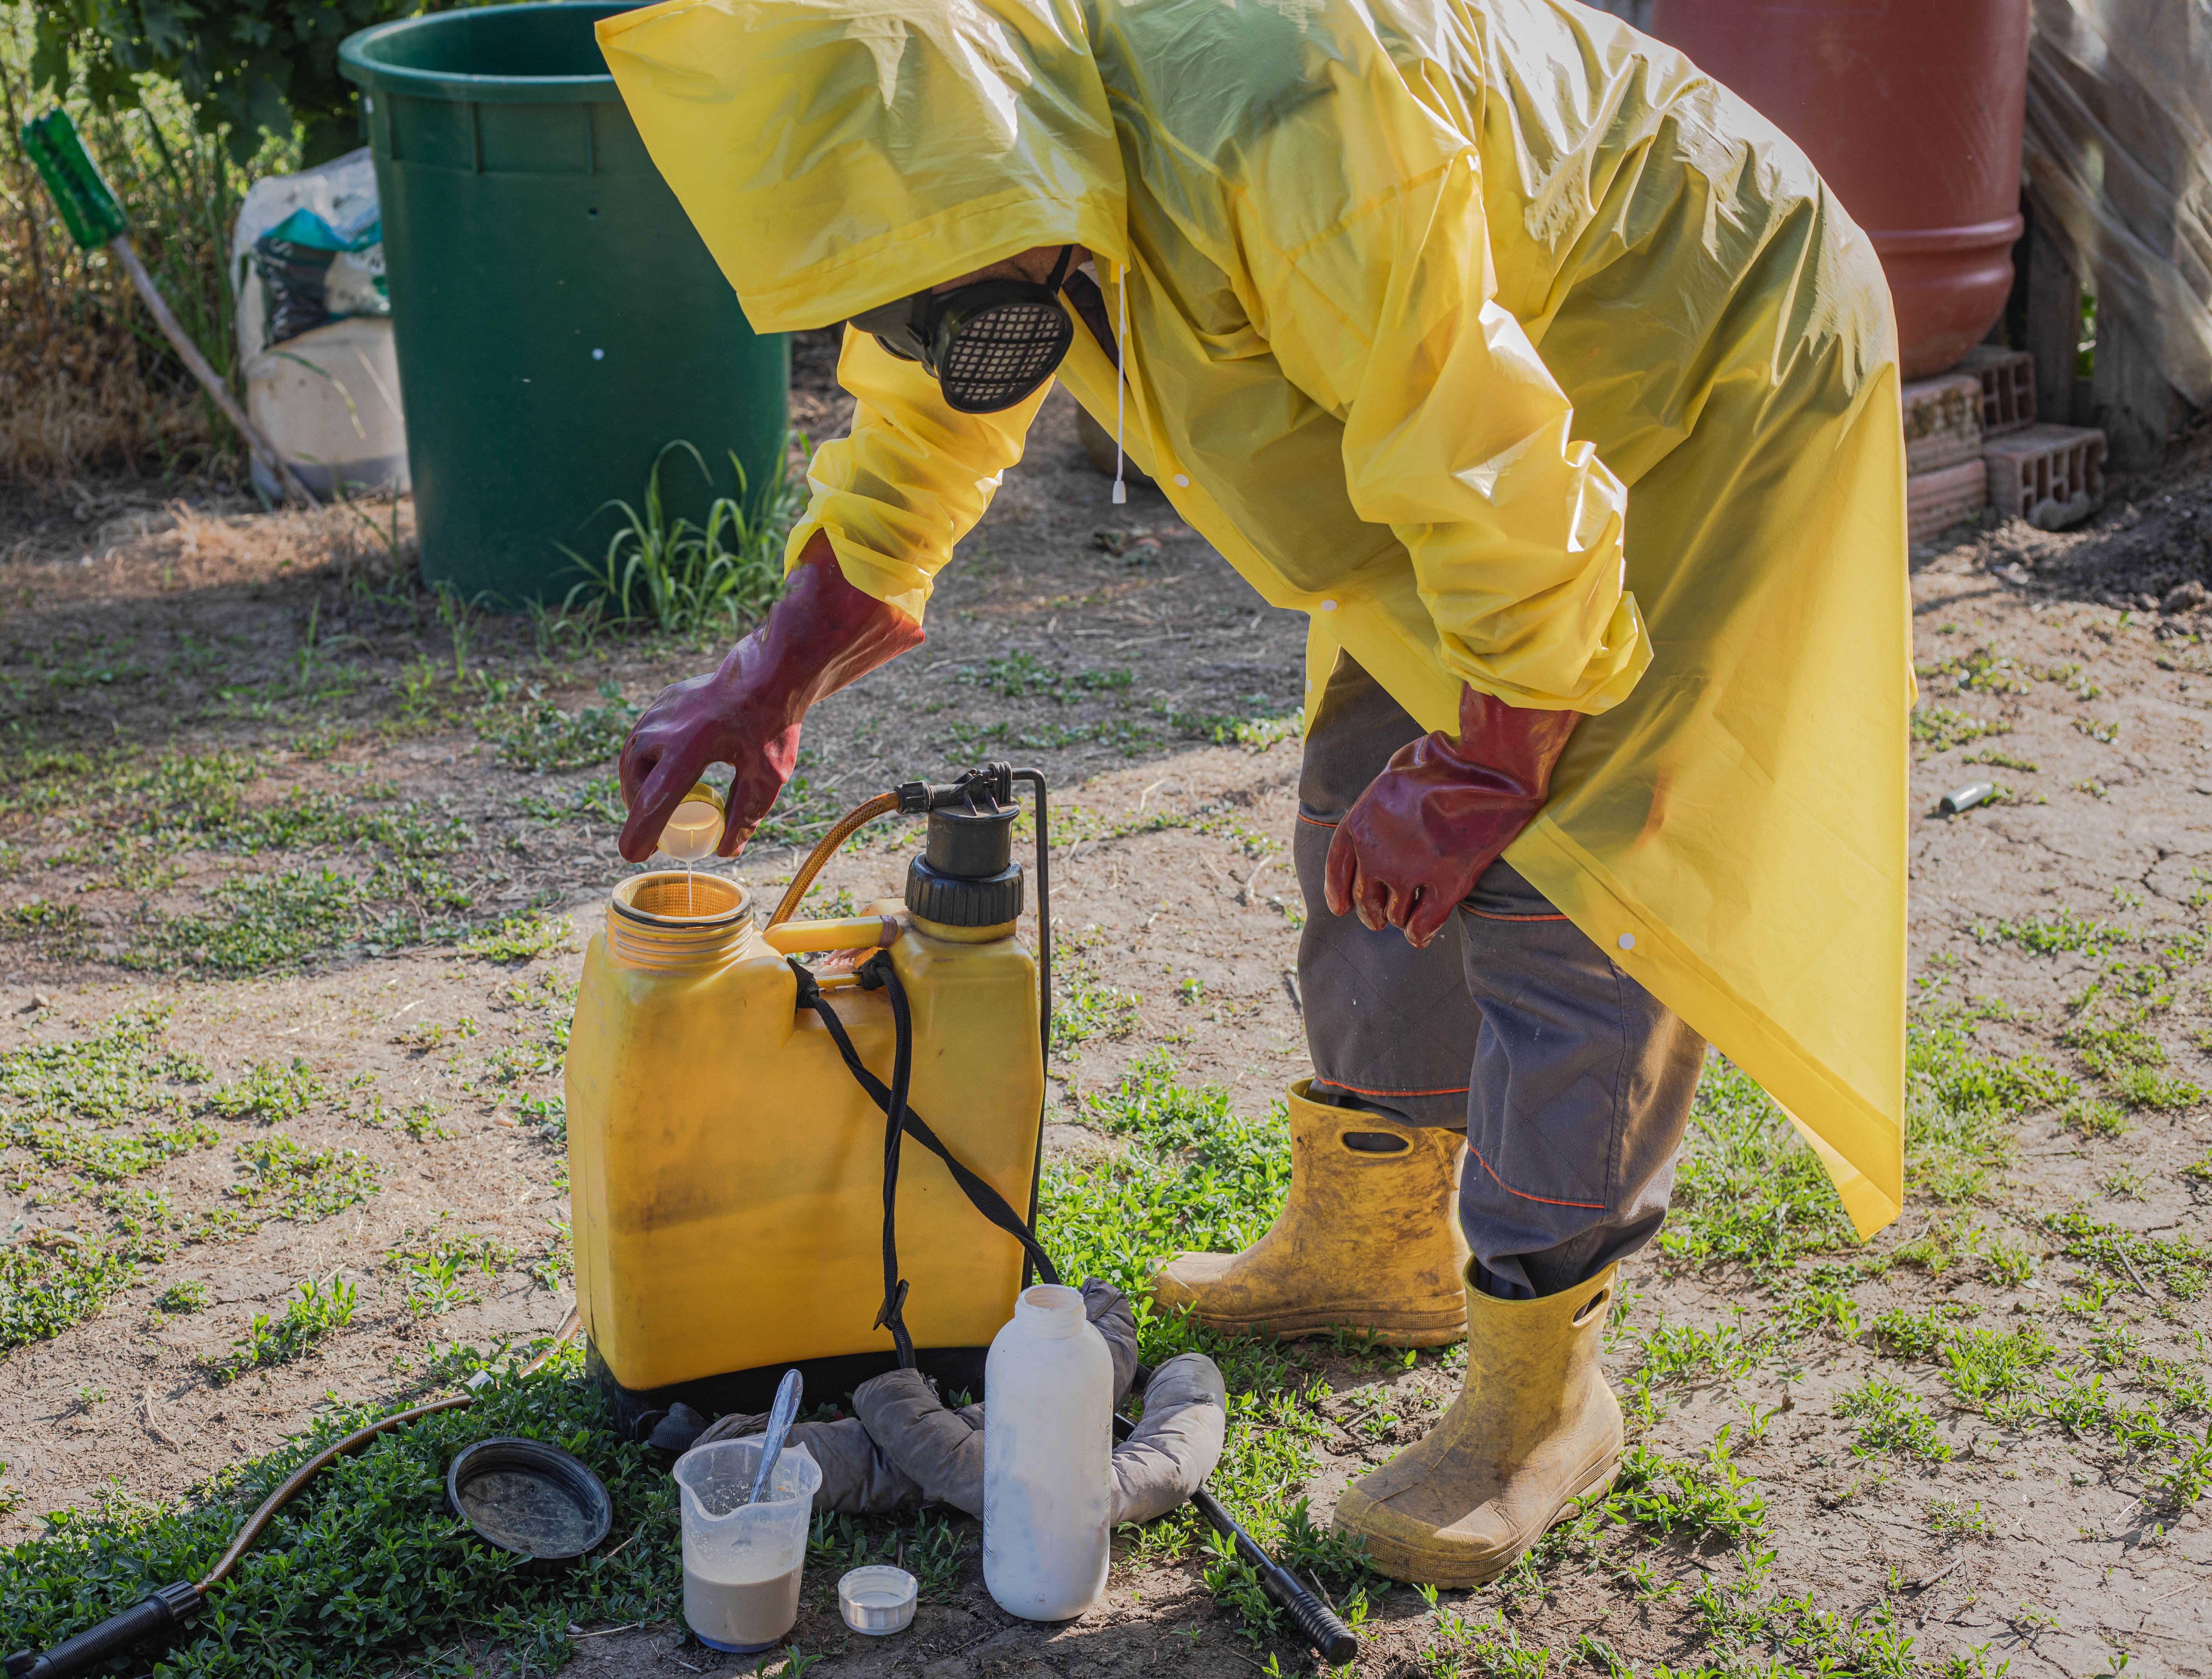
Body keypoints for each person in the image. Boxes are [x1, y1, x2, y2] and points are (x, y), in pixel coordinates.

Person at [598, 0, 1910, 1586]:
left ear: (991, 147)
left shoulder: (1289, 120)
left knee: (1579, 879)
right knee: (1365, 789)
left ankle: (1542, 1399)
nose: (941, 334)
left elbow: (1502, 481)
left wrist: (1500, 752)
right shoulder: (999, 173)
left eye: (941, 292)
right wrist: (780, 661)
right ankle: (1380, 1244)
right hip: (1476, 429)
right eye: (891, 306)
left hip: (1701, 355)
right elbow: (941, 406)